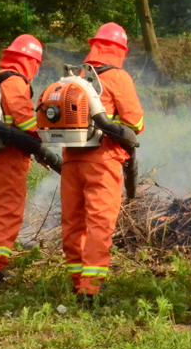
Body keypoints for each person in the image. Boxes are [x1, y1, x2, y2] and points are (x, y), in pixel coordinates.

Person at [61, 23, 144, 297]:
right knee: (99, 224)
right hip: (103, 160)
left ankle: (77, 280)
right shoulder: (117, 78)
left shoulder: (76, 79)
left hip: (71, 159)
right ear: (120, 50)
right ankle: (91, 287)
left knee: (73, 222)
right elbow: (136, 122)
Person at [0, 34, 45, 291]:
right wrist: (43, 139)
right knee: (8, 210)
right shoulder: (15, 80)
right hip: (10, 157)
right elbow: (25, 120)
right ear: (30, 60)